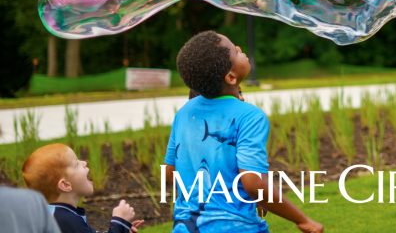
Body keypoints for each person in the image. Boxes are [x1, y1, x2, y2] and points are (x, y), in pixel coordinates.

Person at [165, 31, 323, 233]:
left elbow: (171, 173)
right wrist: (303, 220)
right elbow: (253, 182)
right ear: (231, 77)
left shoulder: (184, 113)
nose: (240, 49)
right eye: (235, 51)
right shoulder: (249, 116)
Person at [22, 143, 143, 233]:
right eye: (76, 164)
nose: (84, 163)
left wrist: (123, 229)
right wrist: (119, 221)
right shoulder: (64, 219)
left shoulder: (58, 214)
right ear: (65, 185)